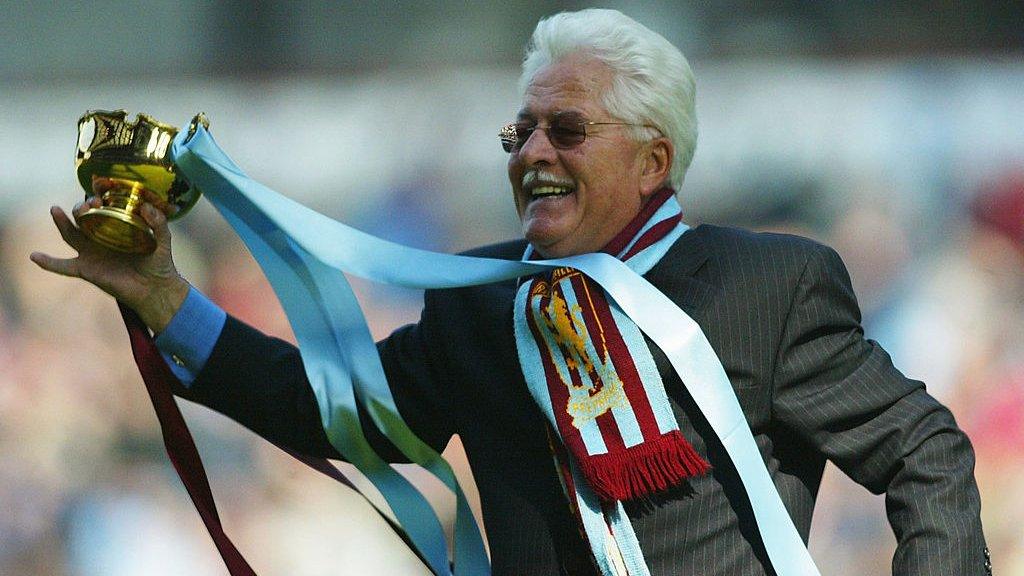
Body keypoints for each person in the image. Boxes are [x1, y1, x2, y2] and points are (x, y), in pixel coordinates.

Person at [32, 8, 988, 576]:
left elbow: (925, 450)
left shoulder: (765, 284)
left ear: (654, 157)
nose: (532, 152)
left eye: (566, 130)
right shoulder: (477, 304)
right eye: (518, 134)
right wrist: (161, 296)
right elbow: (328, 415)